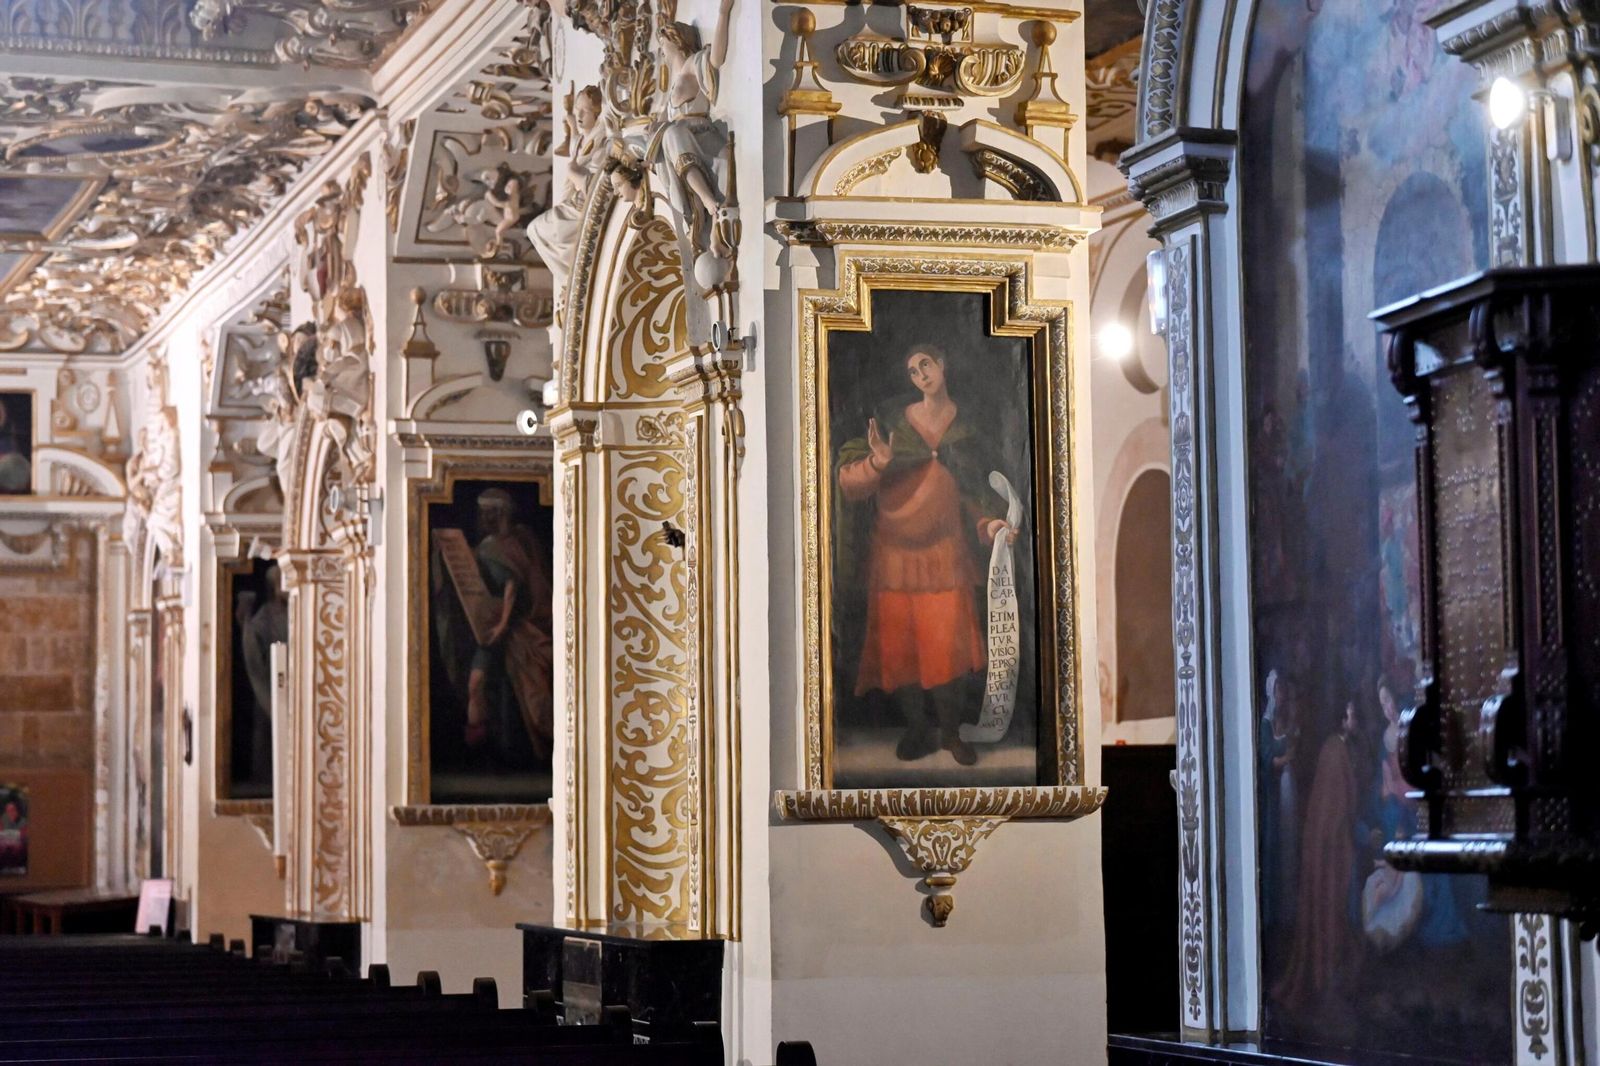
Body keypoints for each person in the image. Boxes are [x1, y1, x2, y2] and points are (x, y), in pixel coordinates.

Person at [836, 345, 1017, 766]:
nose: (920, 375)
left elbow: (977, 491)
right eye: (913, 371)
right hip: (894, 553)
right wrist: (877, 464)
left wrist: (991, 526)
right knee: (901, 649)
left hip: (945, 553)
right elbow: (847, 483)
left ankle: (951, 733)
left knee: (946, 646)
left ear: (943, 365)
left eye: (926, 365)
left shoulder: (968, 427)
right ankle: (918, 728)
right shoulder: (890, 420)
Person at [456, 489, 554, 762]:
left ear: (501, 513)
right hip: (491, 627)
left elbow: (512, 587)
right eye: (483, 512)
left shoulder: (511, 543)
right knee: (476, 683)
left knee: (527, 692)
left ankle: (514, 751)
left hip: (514, 629)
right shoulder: (492, 544)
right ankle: (480, 749)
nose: (486, 518)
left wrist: (501, 626)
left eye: (491, 512)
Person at [1274, 699, 1360, 1007]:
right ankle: (1329, 976)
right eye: (1352, 714)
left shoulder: (1340, 747)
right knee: (1332, 909)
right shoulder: (1335, 750)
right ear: (1342, 718)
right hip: (1331, 846)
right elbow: (1335, 805)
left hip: (1334, 843)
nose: (1356, 718)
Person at [530, 85, 607, 309]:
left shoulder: (601, 139)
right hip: (572, 203)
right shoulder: (585, 139)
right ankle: (569, 277)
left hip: (582, 205)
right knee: (537, 232)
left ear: (598, 113)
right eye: (578, 109)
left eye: (586, 111)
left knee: (536, 229)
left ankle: (570, 278)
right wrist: (570, 117)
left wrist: (574, 172)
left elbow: (593, 184)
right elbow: (575, 140)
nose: (581, 115)